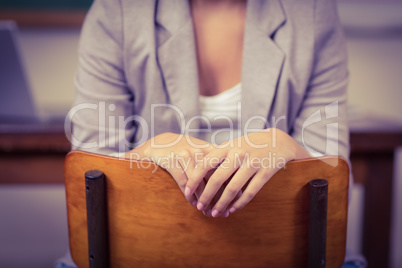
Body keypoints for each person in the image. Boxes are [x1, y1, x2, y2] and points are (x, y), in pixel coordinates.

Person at [57, 0, 366, 267]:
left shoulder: (311, 11)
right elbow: (89, 173)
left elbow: (334, 178)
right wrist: (147, 152)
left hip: (273, 251)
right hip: (146, 247)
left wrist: (286, 147)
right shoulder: (117, 10)